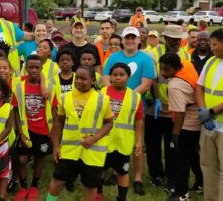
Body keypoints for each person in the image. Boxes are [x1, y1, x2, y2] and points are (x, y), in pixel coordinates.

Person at [47, 65, 113, 201]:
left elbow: (109, 123)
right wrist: (55, 147)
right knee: (58, 179)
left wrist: (94, 139)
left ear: (93, 81)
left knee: (90, 184)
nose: (79, 81)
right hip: (69, 149)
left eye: (84, 79)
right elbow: (59, 121)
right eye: (77, 78)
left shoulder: (102, 99)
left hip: (93, 152)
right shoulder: (65, 97)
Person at [103, 27, 155, 195]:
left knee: (136, 143)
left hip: (135, 105)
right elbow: (106, 81)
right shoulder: (113, 57)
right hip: (112, 106)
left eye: (133, 38)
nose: (130, 41)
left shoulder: (145, 59)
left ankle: (138, 177)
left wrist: (127, 98)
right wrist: (115, 98)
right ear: (123, 40)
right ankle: (114, 170)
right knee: (111, 139)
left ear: (139, 40)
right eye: (127, 38)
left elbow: (146, 83)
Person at [148, 25, 190, 193]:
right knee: (153, 145)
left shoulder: (185, 55)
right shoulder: (154, 55)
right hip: (156, 109)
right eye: (173, 39)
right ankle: (156, 175)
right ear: (165, 39)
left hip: (176, 108)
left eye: (178, 39)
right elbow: (152, 79)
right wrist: (157, 99)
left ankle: (171, 178)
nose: (176, 43)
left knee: (172, 145)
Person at [12, 55, 57, 201]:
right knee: (22, 160)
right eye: (30, 67)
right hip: (26, 131)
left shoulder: (49, 88)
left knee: (40, 157)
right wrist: (19, 131)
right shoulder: (19, 88)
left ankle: (34, 186)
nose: (34, 70)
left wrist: (53, 132)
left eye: (37, 67)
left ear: (41, 68)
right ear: (25, 68)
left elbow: (55, 111)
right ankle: (23, 186)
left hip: (43, 130)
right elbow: (16, 112)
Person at [158, 53, 202, 201]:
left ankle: (182, 193)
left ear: (177, 67)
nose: (164, 73)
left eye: (167, 70)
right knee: (194, 155)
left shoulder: (174, 85)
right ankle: (201, 183)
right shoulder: (186, 64)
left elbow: (180, 113)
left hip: (188, 123)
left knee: (181, 158)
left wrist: (175, 136)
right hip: (198, 116)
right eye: (161, 69)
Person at [98, 63, 143, 201]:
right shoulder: (102, 93)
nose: (118, 78)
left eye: (122, 75)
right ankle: (98, 194)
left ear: (128, 77)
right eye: (115, 75)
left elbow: (139, 120)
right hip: (104, 140)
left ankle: (122, 197)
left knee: (122, 171)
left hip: (123, 142)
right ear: (110, 77)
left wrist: (139, 141)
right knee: (101, 169)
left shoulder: (135, 97)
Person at [195, 28, 223, 201]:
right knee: (208, 167)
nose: (211, 48)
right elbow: (199, 87)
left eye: (215, 44)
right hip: (209, 126)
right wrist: (202, 110)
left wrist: (212, 111)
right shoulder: (210, 62)